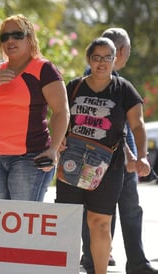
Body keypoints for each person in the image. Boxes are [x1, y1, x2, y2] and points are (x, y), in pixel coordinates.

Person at [55, 37, 150, 274]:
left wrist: (142, 156)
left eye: (107, 57)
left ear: (115, 60)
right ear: (89, 59)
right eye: (96, 57)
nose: (102, 63)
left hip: (108, 167)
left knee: (100, 222)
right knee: (68, 221)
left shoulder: (124, 89)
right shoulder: (74, 87)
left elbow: (137, 126)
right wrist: (58, 140)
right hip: (71, 161)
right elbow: (58, 117)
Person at [0, 14, 69, 201]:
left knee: (23, 225)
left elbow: (61, 110)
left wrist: (53, 149)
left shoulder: (43, 69)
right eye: (4, 37)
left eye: (16, 35)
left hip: (31, 158)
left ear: (29, 38)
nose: (10, 40)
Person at [80, 28, 158, 274]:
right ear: (123, 51)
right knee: (102, 208)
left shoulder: (116, 81)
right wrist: (131, 156)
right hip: (108, 156)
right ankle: (97, 260)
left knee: (124, 207)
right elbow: (103, 126)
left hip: (119, 155)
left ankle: (128, 261)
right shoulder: (94, 79)